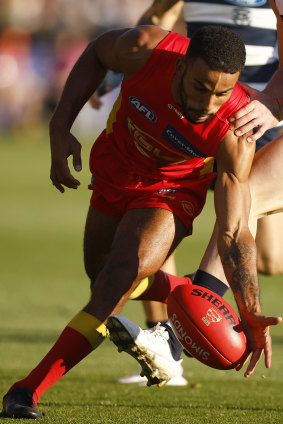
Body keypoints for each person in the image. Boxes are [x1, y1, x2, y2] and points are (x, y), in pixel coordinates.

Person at [2, 25, 281, 419]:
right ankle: (183, 289)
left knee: (115, 281)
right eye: (201, 87)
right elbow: (97, 52)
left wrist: (248, 306)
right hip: (116, 167)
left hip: (171, 192)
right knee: (101, 275)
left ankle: (26, 390)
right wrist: (60, 124)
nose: (209, 103)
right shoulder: (146, 49)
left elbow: (234, 230)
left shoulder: (235, 131)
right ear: (183, 64)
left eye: (222, 93)